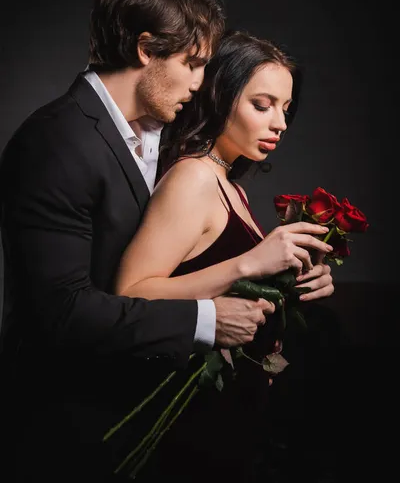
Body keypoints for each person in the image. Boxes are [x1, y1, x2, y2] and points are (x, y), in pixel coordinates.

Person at [0, 0, 278, 483]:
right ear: (146, 49)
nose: (200, 84)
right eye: (192, 64)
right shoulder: (55, 142)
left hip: (139, 423)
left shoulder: (158, 136)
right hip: (66, 426)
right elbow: (58, 313)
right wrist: (205, 321)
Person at [113, 30, 335, 481]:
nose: (281, 124)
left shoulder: (230, 186)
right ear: (220, 97)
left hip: (230, 420)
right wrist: (249, 263)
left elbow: (233, 288)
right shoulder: (192, 177)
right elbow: (130, 293)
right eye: (263, 104)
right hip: (190, 425)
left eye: (286, 110)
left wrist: (300, 279)